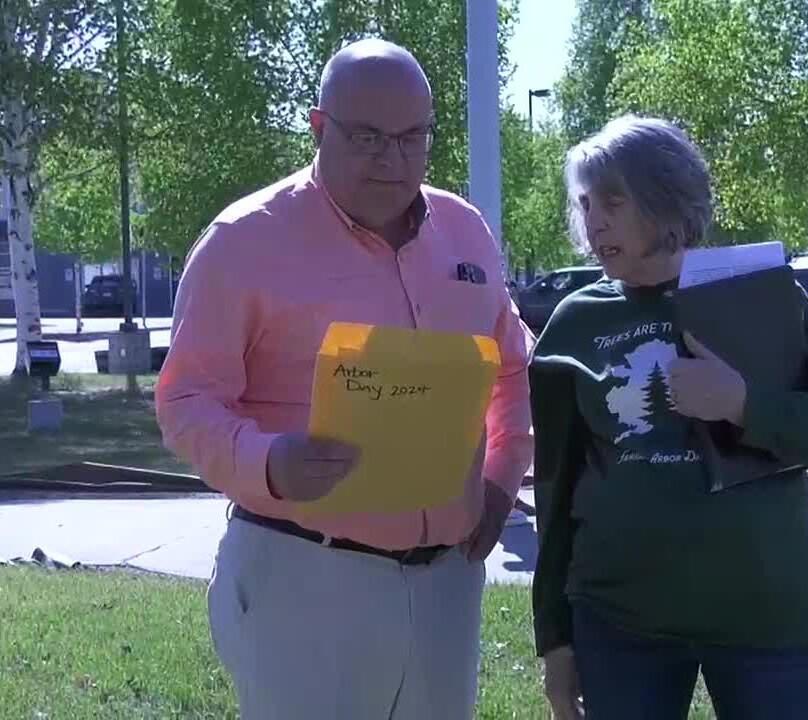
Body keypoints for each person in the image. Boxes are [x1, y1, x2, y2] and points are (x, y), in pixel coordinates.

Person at [156, 39, 533, 720]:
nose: (393, 160)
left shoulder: (465, 231)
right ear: (318, 127)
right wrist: (270, 462)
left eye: (413, 137)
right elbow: (186, 401)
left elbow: (512, 369)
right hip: (304, 576)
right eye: (367, 138)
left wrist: (502, 480)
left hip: (447, 583)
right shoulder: (243, 240)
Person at [530, 114, 808, 720]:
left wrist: (741, 403)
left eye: (613, 201)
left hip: (767, 613)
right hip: (619, 621)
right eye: (585, 204)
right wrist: (555, 639)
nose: (594, 221)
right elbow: (556, 497)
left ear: (666, 201)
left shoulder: (760, 295)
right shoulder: (574, 322)